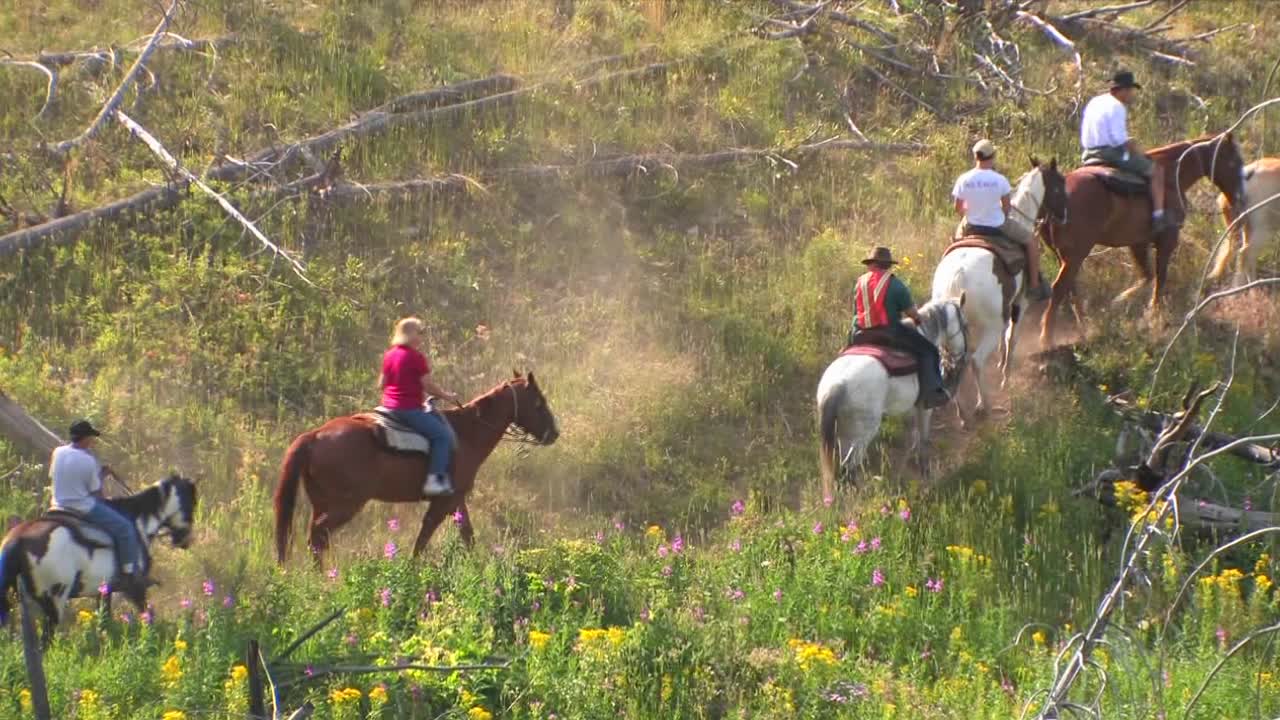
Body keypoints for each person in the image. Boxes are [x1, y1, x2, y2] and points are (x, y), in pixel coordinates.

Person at [49, 419, 146, 592]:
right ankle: (128, 573)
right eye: (91, 438)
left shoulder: (58, 452)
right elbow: (95, 492)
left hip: (57, 505)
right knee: (125, 528)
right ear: (85, 438)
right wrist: (102, 475)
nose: (93, 441)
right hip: (80, 507)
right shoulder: (88, 460)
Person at [847, 247, 949, 409]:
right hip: (888, 334)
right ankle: (932, 393)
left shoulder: (860, 283)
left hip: (860, 334)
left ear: (871, 264)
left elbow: (855, 313)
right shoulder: (895, 285)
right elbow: (912, 314)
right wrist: (917, 318)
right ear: (888, 265)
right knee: (929, 351)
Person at [952, 139, 1048, 300]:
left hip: (971, 225)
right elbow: (1006, 208)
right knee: (1031, 241)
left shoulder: (963, 179)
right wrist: (994, 214)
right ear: (992, 156)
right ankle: (1033, 286)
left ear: (976, 157)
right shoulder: (999, 180)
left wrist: (971, 214)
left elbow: (958, 208)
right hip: (997, 225)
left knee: (954, 244)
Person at [1080, 70, 1171, 234]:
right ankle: (1158, 216)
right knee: (1157, 171)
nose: (1131, 94)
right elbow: (1118, 140)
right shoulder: (1117, 107)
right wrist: (1139, 152)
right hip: (1109, 153)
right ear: (1122, 90)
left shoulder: (1095, 101)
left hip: (1088, 153)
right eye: (1129, 90)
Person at [380, 317, 460, 497]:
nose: (421, 337)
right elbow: (428, 386)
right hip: (407, 409)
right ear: (409, 334)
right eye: (419, 332)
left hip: (388, 409)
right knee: (442, 436)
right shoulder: (416, 357)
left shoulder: (390, 354)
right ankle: (435, 481)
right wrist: (447, 396)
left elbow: (382, 384)